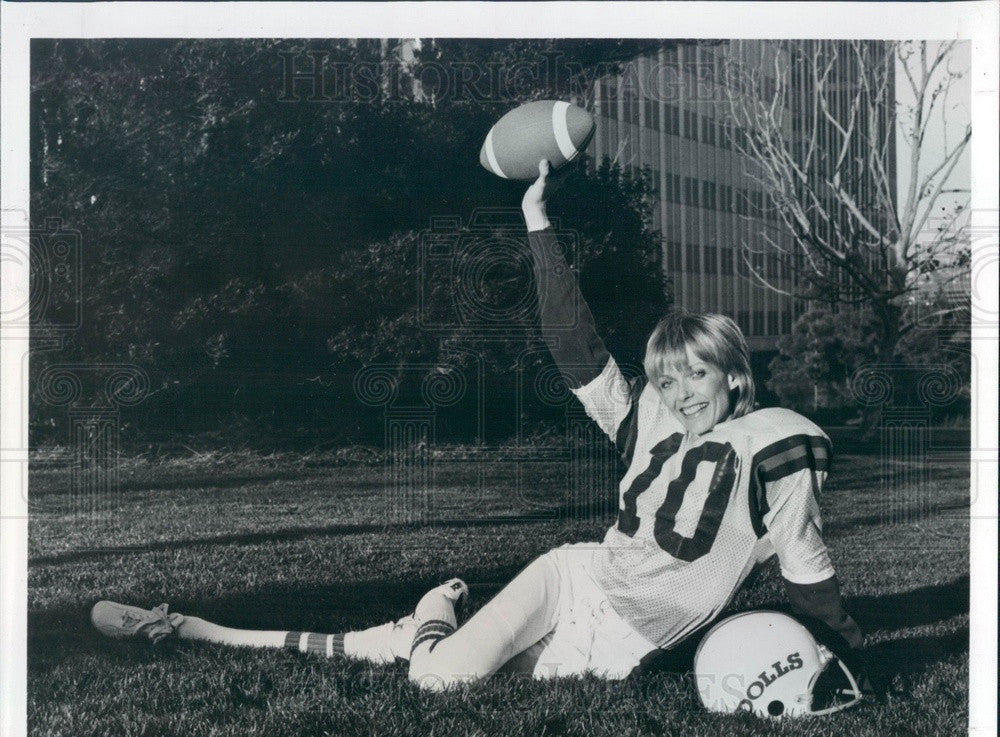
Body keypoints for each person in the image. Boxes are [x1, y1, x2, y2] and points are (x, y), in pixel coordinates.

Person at [93, 159, 866, 694]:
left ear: (735, 372)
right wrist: (536, 221)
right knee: (439, 680)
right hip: (577, 581)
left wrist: (841, 651)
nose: (681, 391)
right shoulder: (647, 423)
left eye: (696, 373)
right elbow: (575, 345)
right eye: (667, 377)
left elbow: (807, 564)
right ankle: (435, 608)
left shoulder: (778, 445)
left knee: (420, 662)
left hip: (630, 644)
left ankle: (198, 628)